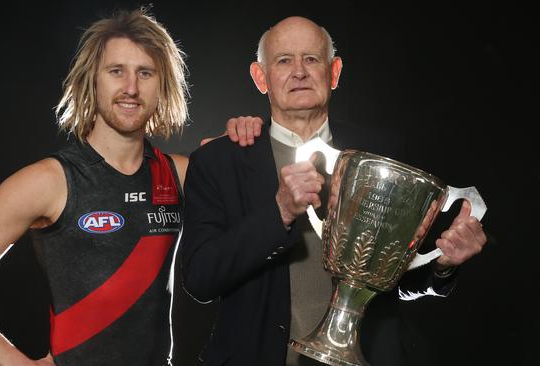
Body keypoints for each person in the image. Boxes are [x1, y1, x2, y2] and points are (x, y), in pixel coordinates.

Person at [0, 8, 260, 366]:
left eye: (145, 73)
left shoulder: (182, 175)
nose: (131, 87)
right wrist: (13, 363)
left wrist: (243, 143)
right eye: (116, 71)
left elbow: (263, 228)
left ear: (162, 86)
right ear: (92, 81)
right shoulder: (49, 181)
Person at [181, 16, 487, 366]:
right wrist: (279, 211)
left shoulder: (383, 153)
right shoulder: (218, 161)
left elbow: (395, 279)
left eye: (311, 59)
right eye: (284, 60)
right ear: (261, 77)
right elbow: (201, 278)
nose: (299, 71)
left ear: (335, 72)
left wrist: (443, 265)